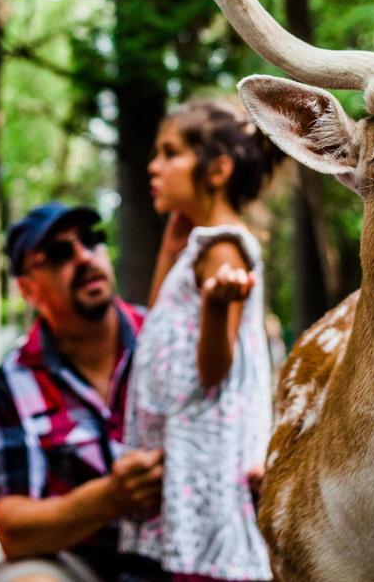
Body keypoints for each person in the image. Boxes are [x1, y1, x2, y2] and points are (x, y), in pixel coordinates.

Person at [121, 99, 279, 581]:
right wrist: (170, 249)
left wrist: (215, 307)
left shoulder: (223, 248)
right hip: (182, 470)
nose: (155, 166)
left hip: (206, 472)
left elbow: (216, 370)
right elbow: (155, 328)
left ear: (217, 171)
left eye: (170, 154)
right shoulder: (198, 245)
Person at [0, 202, 167, 582]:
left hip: (186, 555)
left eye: (90, 240)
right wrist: (110, 498)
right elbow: (12, 529)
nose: (83, 256)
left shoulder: (167, 339)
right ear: (28, 289)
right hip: (86, 566)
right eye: (60, 253)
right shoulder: (9, 387)